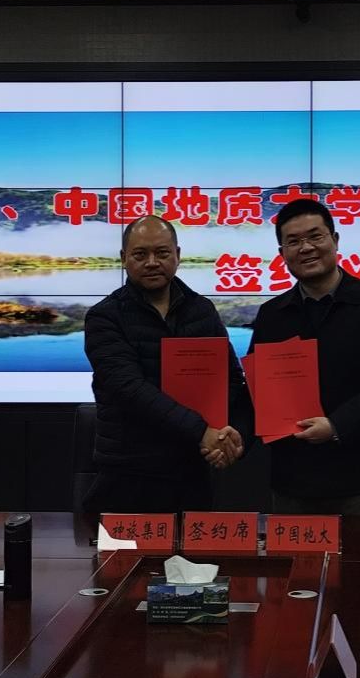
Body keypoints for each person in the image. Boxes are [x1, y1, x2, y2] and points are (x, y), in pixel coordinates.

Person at [249, 198, 360, 515]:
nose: (306, 248)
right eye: (293, 241)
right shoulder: (272, 314)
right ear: (282, 253)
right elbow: (259, 391)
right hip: (293, 482)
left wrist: (336, 424)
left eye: (315, 236)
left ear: (335, 240)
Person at [83, 214, 247, 515]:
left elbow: (231, 379)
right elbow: (129, 389)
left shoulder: (202, 310)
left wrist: (225, 436)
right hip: (130, 472)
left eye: (162, 253)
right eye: (140, 254)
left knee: (194, 547)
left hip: (192, 467)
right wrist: (202, 431)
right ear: (123, 258)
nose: (152, 262)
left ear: (177, 255)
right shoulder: (104, 317)